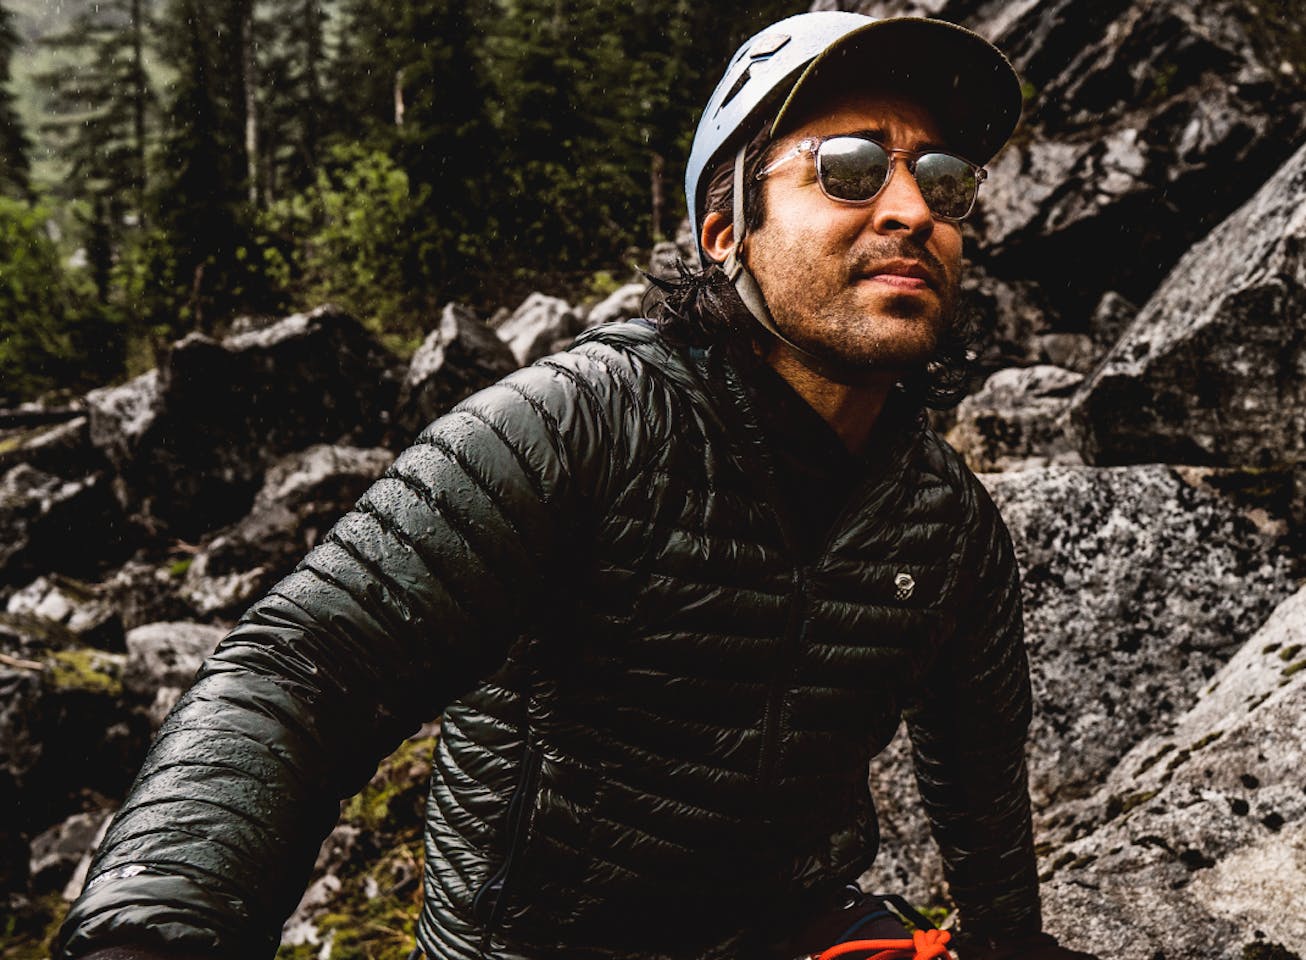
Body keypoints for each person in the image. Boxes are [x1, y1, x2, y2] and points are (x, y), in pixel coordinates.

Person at [57, 12, 1098, 960]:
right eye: (851, 168)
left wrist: (1009, 944)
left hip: (794, 929)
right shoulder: (576, 424)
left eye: (946, 179)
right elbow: (300, 669)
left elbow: (979, 781)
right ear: (723, 230)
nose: (912, 209)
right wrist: (153, 928)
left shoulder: (945, 519)